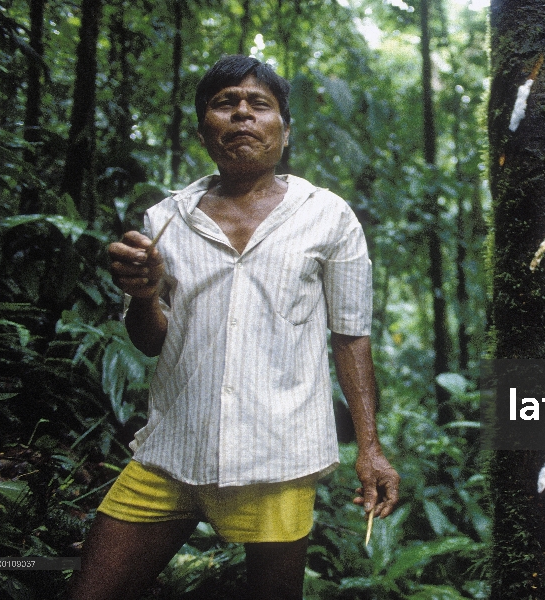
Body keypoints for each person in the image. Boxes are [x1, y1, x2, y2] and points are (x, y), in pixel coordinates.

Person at [70, 55, 400, 600]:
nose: (242, 115)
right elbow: (151, 341)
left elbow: (350, 336)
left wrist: (370, 448)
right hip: (172, 451)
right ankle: (16, 562)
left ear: (284, 132)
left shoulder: (328, 216)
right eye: (225, 104)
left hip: (278, 456)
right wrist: (144, 293)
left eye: (259, 105)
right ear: (204, 129)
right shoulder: (165, 220)